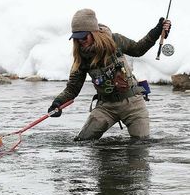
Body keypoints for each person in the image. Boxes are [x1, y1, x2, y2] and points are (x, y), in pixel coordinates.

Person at [48, 8, 171, 141]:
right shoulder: (81, 58)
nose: (81, 41)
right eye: (76, 38)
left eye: (83, 37)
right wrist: (57, 103)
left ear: (94, 33)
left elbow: (138, 49)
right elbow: (72, 89)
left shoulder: (115, 40)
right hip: (105, 106)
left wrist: (157, 31)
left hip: (133, 103)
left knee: (140, 144)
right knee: (82, 142)